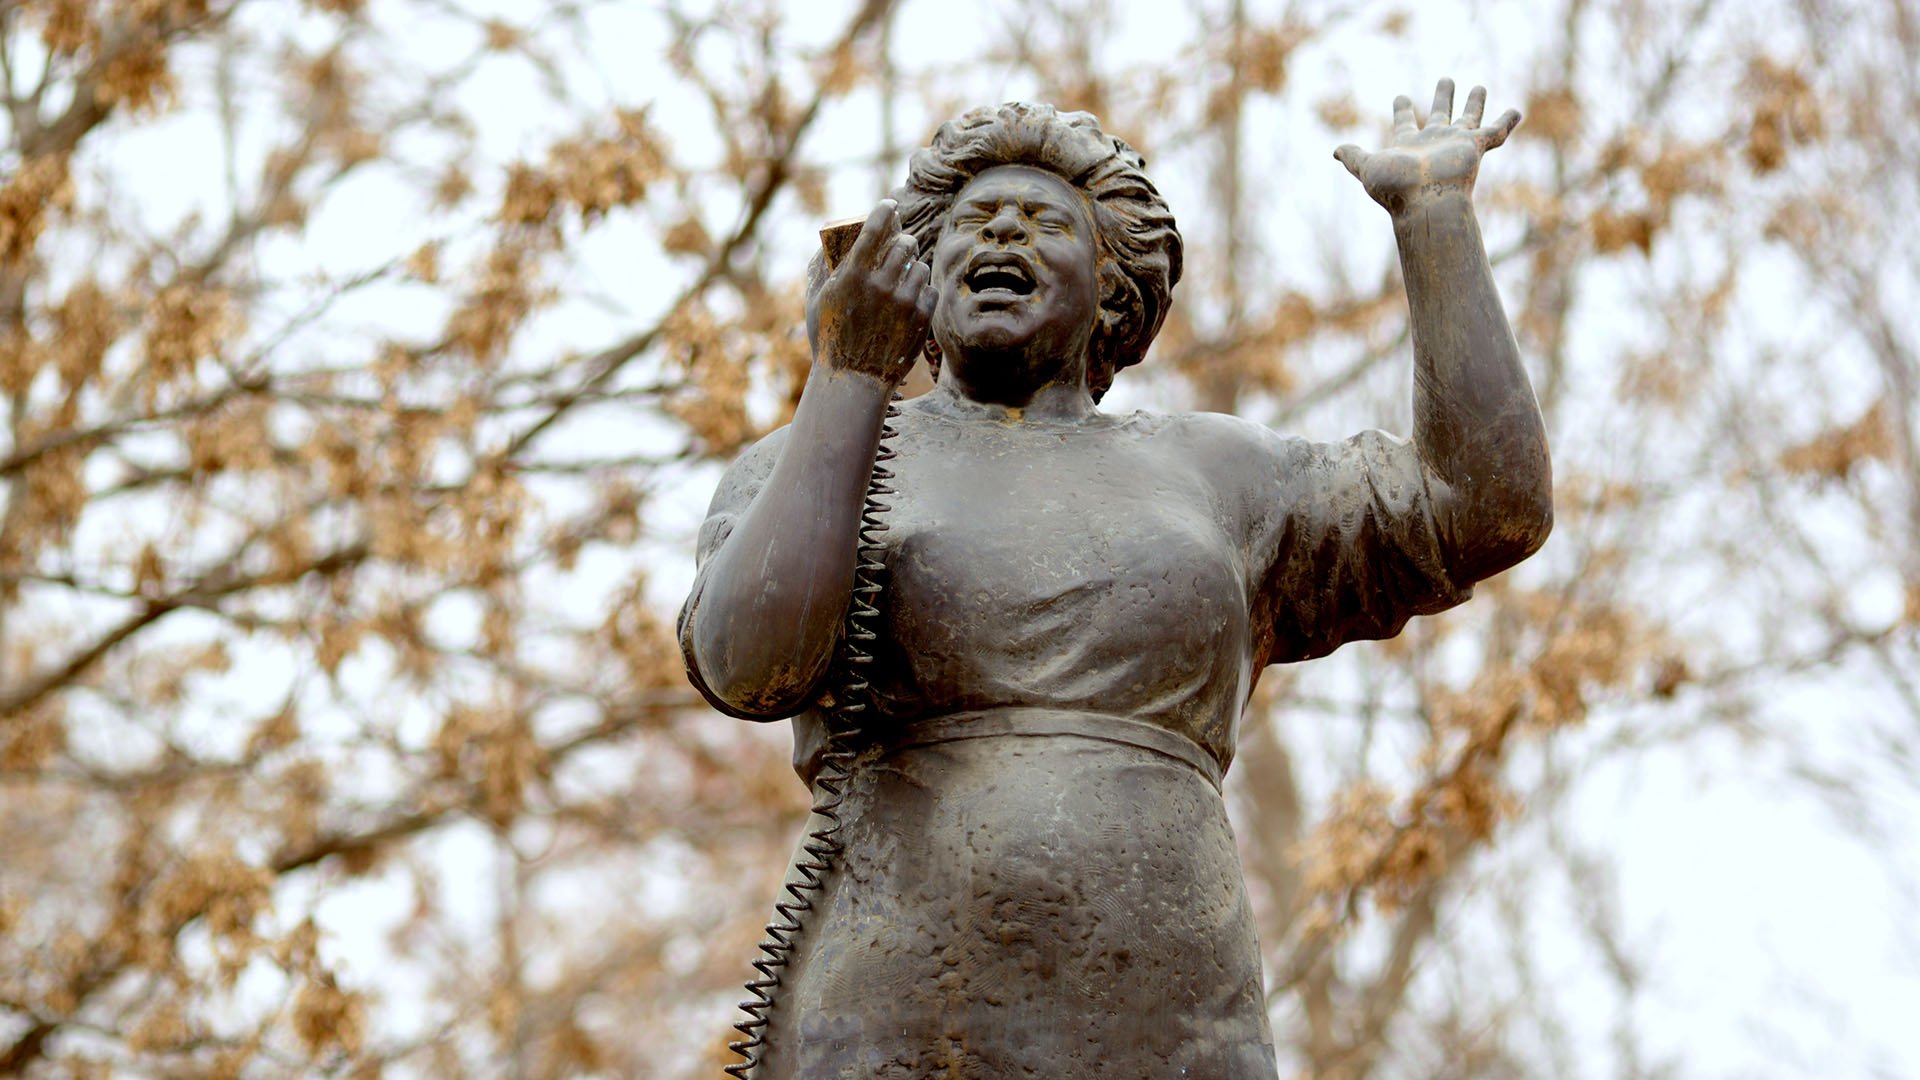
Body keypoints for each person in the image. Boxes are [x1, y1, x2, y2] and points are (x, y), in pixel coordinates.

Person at [679, 82, 1551, 1078]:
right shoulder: (825, 455)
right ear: (919, 271)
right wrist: (845, 375)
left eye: (1045, 222)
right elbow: (746, 666)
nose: (1001, 235)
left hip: (1170, 1012)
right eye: (971, 223)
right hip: (899, 1017)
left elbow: (1484, 507)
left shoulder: (1220, 472)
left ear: (1112, 286)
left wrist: (1435, 220)